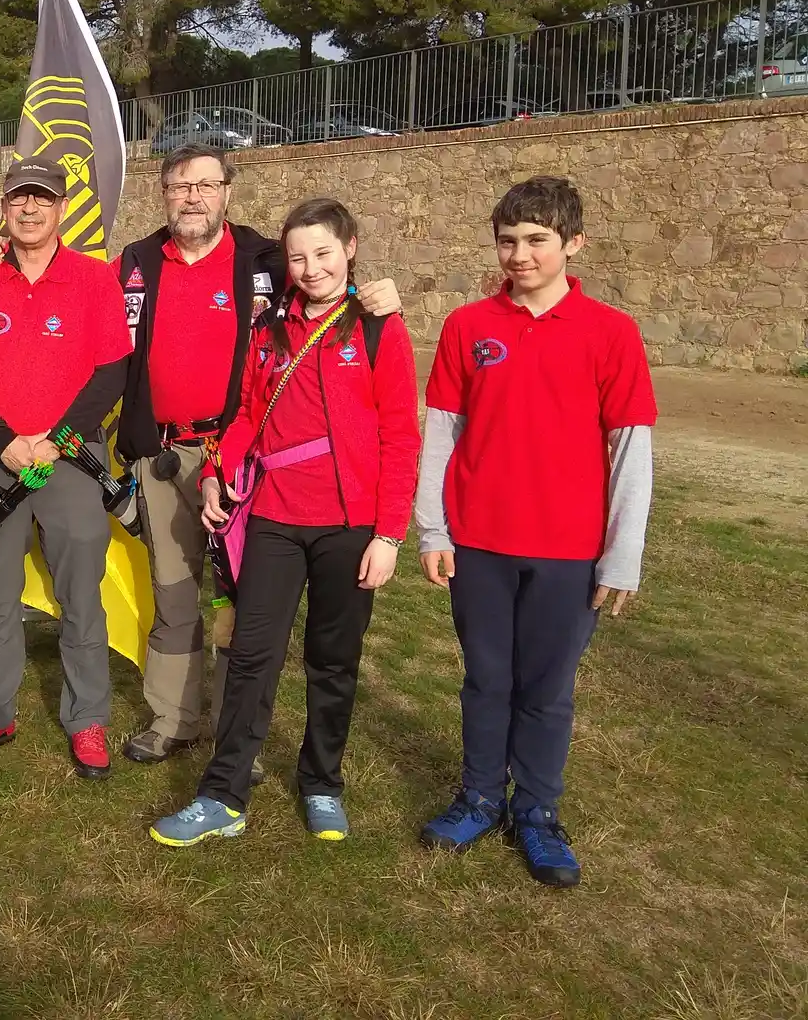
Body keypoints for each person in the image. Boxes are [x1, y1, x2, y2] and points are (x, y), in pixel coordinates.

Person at [109, 145, 402, 765]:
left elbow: (329, 281)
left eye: (206, 185)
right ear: (162, 193)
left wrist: (382, 292)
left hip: (243, 459)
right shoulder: (134, 262)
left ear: (227, 192)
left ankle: (233, 731)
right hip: (163, 456)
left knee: (241, 602)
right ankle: (173, 719)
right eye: (179, 185)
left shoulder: (265, 258)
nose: (193, 197)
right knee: (174, 594)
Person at [149, 198, 419, 846]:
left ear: (350, 248)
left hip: (349, 527)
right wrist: (217, 470)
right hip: (273, 517)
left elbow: (401, 437)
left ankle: (322, 783)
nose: (311, 267)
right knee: (250, 657)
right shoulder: (268, 328)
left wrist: (389, 536)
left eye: (323, 252)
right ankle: (224, 794)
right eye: (297, 256)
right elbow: (245, 415)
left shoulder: (379, 327)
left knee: (333, 661)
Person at [413, 175, 656, 888]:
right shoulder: (468, 327)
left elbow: (629, 448)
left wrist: (622, 558)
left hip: (569, 551)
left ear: (572, 244)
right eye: (508, 240)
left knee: (546, 689)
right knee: (486, 680)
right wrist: (434, 530)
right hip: (480, 542)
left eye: (536, 241)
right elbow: (442, 435)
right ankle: (481, 797)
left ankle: (539, 813)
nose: (519, 254)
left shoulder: (612, 332)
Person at [0, 160, 133, 776]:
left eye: (41, 200)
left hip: (66, 461)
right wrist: (1, 439)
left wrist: (57, 440)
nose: (29, 210)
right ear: (4, 206)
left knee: (81, 594)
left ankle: (87, 719)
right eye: (18, 198)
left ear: (61, 208)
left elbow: (112, 371)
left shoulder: (95, 280)